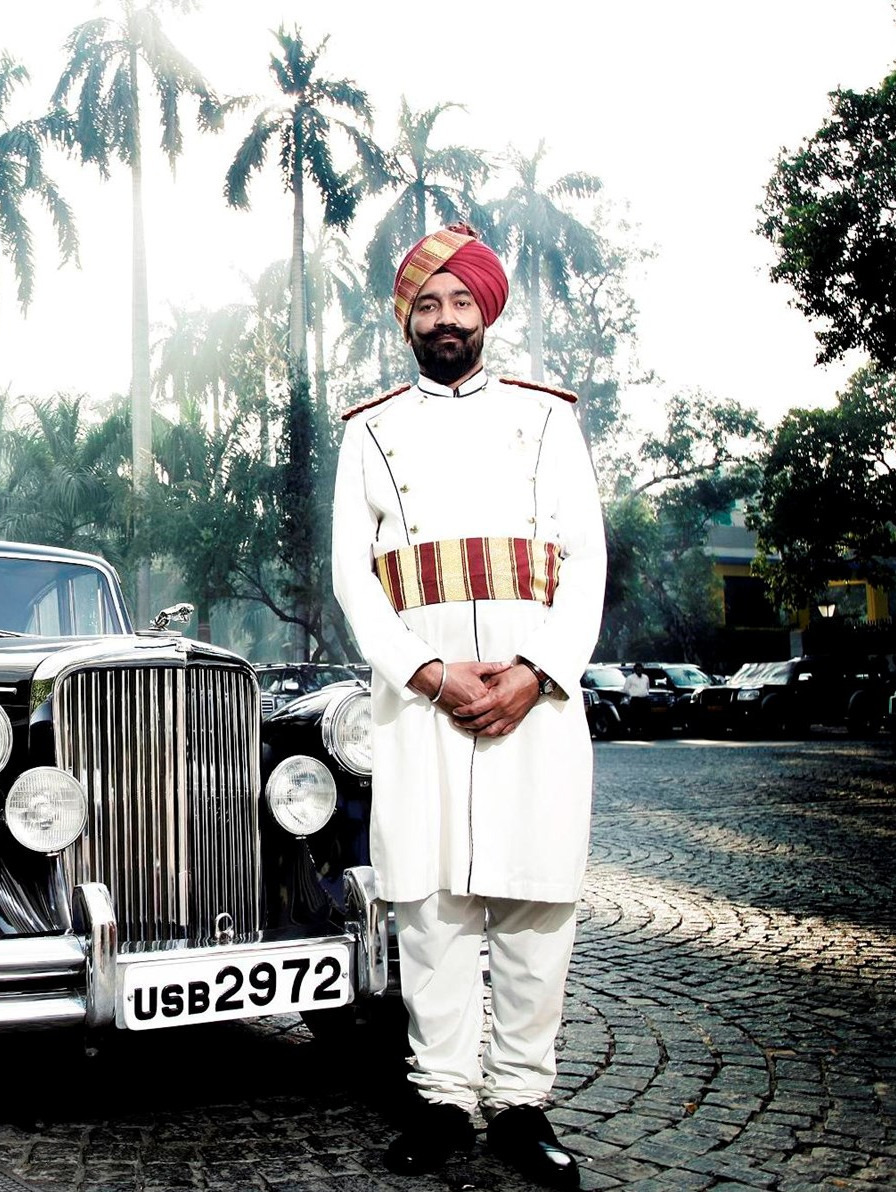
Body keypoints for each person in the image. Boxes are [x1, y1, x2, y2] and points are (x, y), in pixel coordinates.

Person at [331, 222, 605, 1190]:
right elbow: (354, 578)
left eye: (460, 302)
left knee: (536, 900)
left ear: (487, 308)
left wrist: (536, 668)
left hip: (537, 699)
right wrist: (428, 671)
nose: (444, 320)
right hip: (422, 699)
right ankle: (444, 1097)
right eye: (426, 305)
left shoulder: (548, 417)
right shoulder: (369, 429)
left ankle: (524, 1102)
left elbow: (585, 564)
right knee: (432, 903)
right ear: (407, 320)